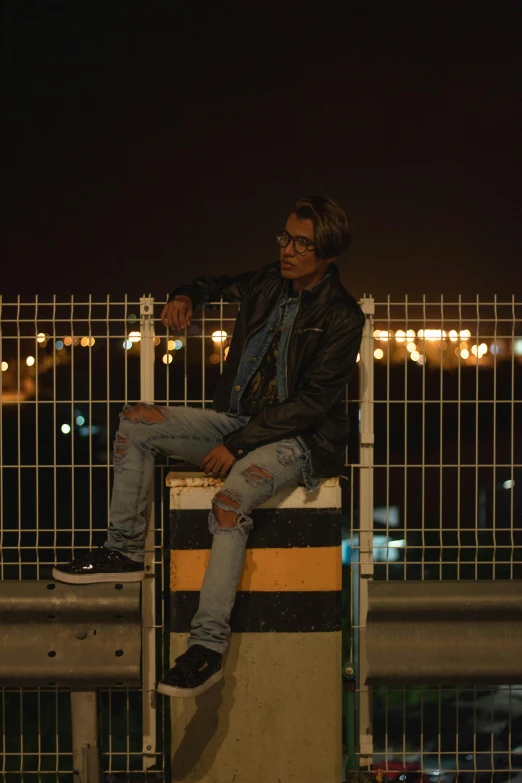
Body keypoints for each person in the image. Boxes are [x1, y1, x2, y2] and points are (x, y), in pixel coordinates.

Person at [52, 195, 365, 697]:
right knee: (136, 421)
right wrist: (185, 295)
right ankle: (124, 550)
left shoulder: (343, 316)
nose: (287, 250)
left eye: (301, 243)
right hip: (238, 422)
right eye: (284, 237)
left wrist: (239, 445)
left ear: (327, 253)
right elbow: (213, 284)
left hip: (298, 442)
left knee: (229, 502)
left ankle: (206, 649)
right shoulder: (269, 282)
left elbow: (310, 405)